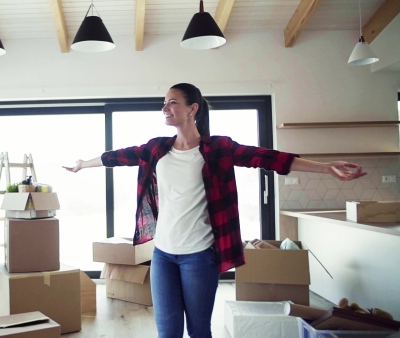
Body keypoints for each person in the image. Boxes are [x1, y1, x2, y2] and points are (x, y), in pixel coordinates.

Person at [63, 83, 366, 338]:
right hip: (163, 254)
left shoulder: (218, 148)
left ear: (192, 109)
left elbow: (267, 157)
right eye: (163, 103)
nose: (165, 108)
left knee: (198, 330)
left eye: (172, 102)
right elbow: (118, 156)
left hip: (200, 255)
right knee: (167, 331)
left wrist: (325, 167)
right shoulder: (157, 148)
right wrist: (82, 164)